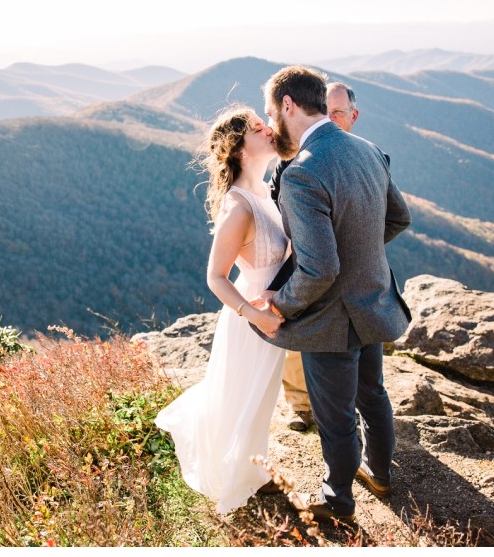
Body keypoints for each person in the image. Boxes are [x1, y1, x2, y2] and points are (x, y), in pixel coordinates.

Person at [253, 66, 412, 523]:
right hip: (374, 299)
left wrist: (280, 305)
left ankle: (337, 501)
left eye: (271, 111)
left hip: (330, 318)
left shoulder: (303, 172)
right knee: (374, 395)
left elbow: (319, 268)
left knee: (336, 416)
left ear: (288, 105)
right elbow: (398, 219)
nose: (270, 122)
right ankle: (380, 473)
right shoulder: (366, 150)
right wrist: (359, 255)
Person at [154, 105, 290, 514]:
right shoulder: (239, 205)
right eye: (256, 127)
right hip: (253, 317)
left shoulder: (265, 190)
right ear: (239, 148)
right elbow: (215, 276)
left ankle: (252, 467)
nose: (268, 129)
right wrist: (256, 314)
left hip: (275, 308)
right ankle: (239, 475)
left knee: (260, 396)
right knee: (243, 396)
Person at [273, 81, 363, 432]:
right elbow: (277, 205)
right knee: (297, 335)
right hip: (305, 264)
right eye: (328, 110)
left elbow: (387, 216)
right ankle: (300, 404)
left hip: (352, 270)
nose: (332, 116)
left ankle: (345, 404)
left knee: (349, 342)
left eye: (339, 112)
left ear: (352, 117)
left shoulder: (364, 155)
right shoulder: (294, 160)